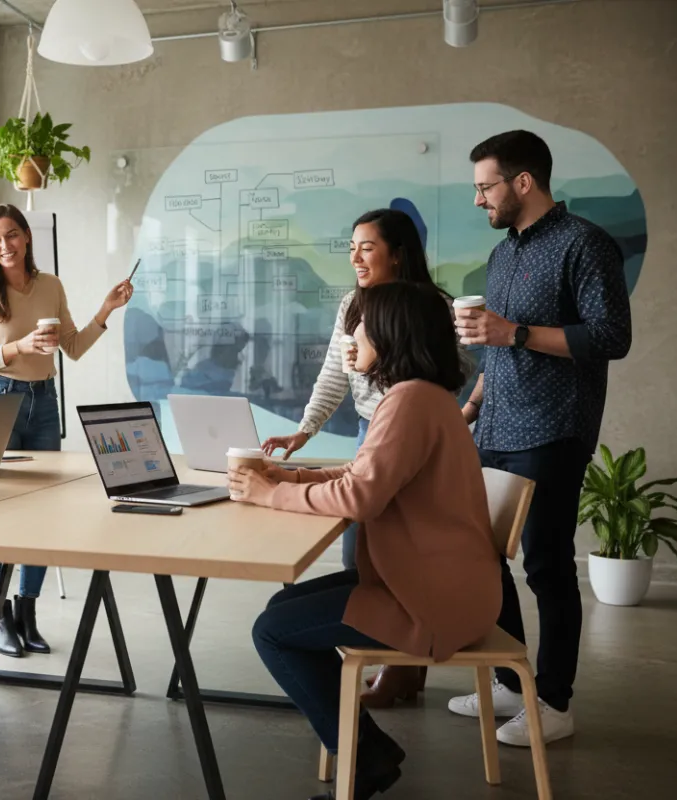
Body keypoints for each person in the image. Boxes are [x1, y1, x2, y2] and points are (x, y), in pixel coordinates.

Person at [234, 282, 500, 800]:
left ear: (392, 333)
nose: (351, 337)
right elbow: (362, 471)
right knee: (284, 607)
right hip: (443, 582)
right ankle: (368, 754)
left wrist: (268, 496)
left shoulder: (409, 403)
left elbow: (359, 498)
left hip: (432, 599)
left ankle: (366, 761)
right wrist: (285, 479)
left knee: (273, 629)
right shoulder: (420, 396)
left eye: (360, 326)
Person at [451, 130, 632, 746]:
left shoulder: (586, 245)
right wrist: (467, 410)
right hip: (496, 426)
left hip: (554, 429)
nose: (479, 199)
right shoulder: (503, 256)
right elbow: (498, 352)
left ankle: (554, 703)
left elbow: (611, 338)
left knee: (548, 566)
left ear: (522, 182)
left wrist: (518, 333)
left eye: (485, 186)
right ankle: (508, 680)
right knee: (481, 556)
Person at [261, 209, 455, 709]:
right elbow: (333, 374)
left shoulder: (432, 309)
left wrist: (279, 489)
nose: (355, 256)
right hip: (377, 427)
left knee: (393, 551)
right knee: (360, 555)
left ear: (398, 252)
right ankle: (389, 662)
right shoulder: (353, 304)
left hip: (406, 427)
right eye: (351, 246)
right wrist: (305, 431)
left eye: (366, 246)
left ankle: (399, 665)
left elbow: (444, 376)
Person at [0, 204, 133, 658]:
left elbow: (71, 348)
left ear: (27, 236)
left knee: (41, 513)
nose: (5, 246)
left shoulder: (50, 285)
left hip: (43, 403)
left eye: (11, 235)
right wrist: (18, 346)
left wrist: (106, 309)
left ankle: (27, 612)